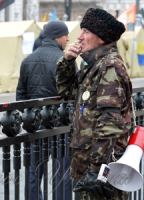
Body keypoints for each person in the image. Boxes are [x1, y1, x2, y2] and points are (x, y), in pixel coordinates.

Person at [56, 8, 132, 200]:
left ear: (101, 38)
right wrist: (67, 61)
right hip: (90, 166)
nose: (79, 37)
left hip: (101, 169)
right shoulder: (94, 65)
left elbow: (110, 121)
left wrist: (97, 170)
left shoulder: (109, 66)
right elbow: (68, 92)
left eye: (86, 31)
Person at [16, 20, 77, 200]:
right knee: (62, 172)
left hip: (35, 125)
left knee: (33, 171)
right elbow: (73, 93)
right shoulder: (65, 60)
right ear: (58, 36)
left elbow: (20, 95)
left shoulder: (28, 60)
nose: (68, 39)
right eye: (66, 35)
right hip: (60, 125)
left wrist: (30, 117)